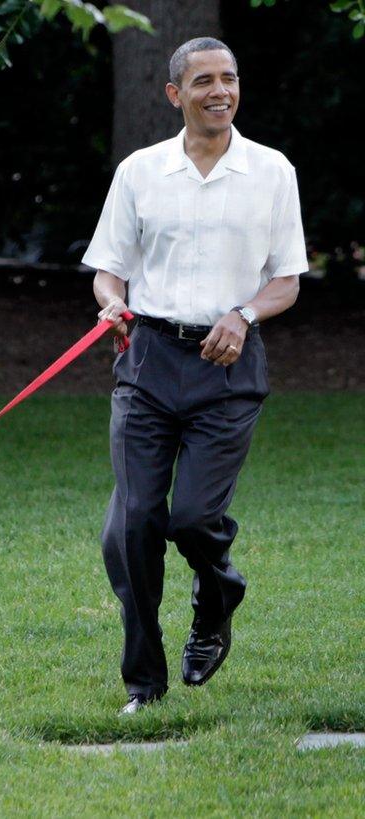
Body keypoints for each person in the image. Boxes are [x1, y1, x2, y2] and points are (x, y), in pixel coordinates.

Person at [82, 37, 307, 714]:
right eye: (204, 80)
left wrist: (243, 314)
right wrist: (112, 302)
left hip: (228, 368)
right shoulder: (140, 171)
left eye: (230, 79)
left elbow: (287, 280)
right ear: (175, 94)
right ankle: (143, 684)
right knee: (133, 527)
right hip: (147, 360)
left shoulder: (271, 171)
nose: (220, 91)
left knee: (194, 517)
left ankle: (218, 594)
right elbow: (108, 267)